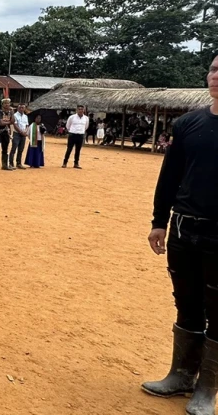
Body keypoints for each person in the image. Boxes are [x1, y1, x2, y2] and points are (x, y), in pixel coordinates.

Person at [143, 54, 218, 415]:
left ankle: (207, 390)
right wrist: (159, 220)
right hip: (184, 229)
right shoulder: (188, 124)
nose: (217, 76)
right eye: (215, 68)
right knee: (186, 302)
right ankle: (181, 374)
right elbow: (169, 177)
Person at [63, 105, 88, 169]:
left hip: (80, 135)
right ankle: (65, 163)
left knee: (78, 150)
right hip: (72, 135)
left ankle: (76, 163)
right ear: (76, 110)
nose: (80, 110)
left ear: (84, 110)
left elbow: (86, 127)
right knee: (69, 149)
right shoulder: (72, 117)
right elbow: (67, 126)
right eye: (79, 109)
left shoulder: (86, 118)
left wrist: (81, 132)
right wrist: (71, 131)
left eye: (82, 109)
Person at [9, 103, 29, 170]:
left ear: (24, 108)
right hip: (17, 134)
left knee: (21, 149)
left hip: (23, 135)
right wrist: (21, 132)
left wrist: (25, 131)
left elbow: (27, 125)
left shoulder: (25, 116)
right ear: (17, 108)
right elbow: (15, 125)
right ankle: (11, 163)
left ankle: (19, 163)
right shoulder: (15, 115)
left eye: (23, 107)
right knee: (14, 148)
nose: (21, 109)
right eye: (20, 107)